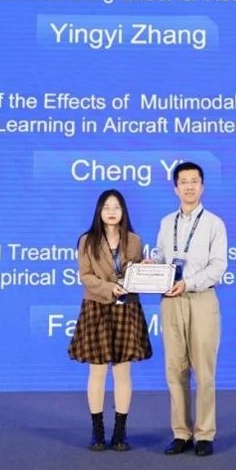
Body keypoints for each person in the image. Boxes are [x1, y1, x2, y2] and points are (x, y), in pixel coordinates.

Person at [68, 189, 152, 451]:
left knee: (123, 372)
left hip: (127, 308)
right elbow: (85, 276)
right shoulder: (87, 241)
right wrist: (108, 288)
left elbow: (136, 274)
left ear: (123, 211)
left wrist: (146, 268)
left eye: (116, 207)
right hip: (97, 307)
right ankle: (97, 431)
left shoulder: (134, 241)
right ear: (99, 211)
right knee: (97, 371)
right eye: (106, 207)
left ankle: (120, 431)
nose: (112, 212)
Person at [156, 162, 227, 457]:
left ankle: (205, 434)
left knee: (204, 371)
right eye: (183, 181)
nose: (189, 186)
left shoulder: (214, 223)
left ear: (202, 186)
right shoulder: (166, 223)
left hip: (201, 299)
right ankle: (181, 433)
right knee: (175, 369)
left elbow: (218, 267)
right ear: (175, 188)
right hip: (171, 302)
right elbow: (162, 257)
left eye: (194, 181)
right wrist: (152, 266)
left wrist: (188, 283)